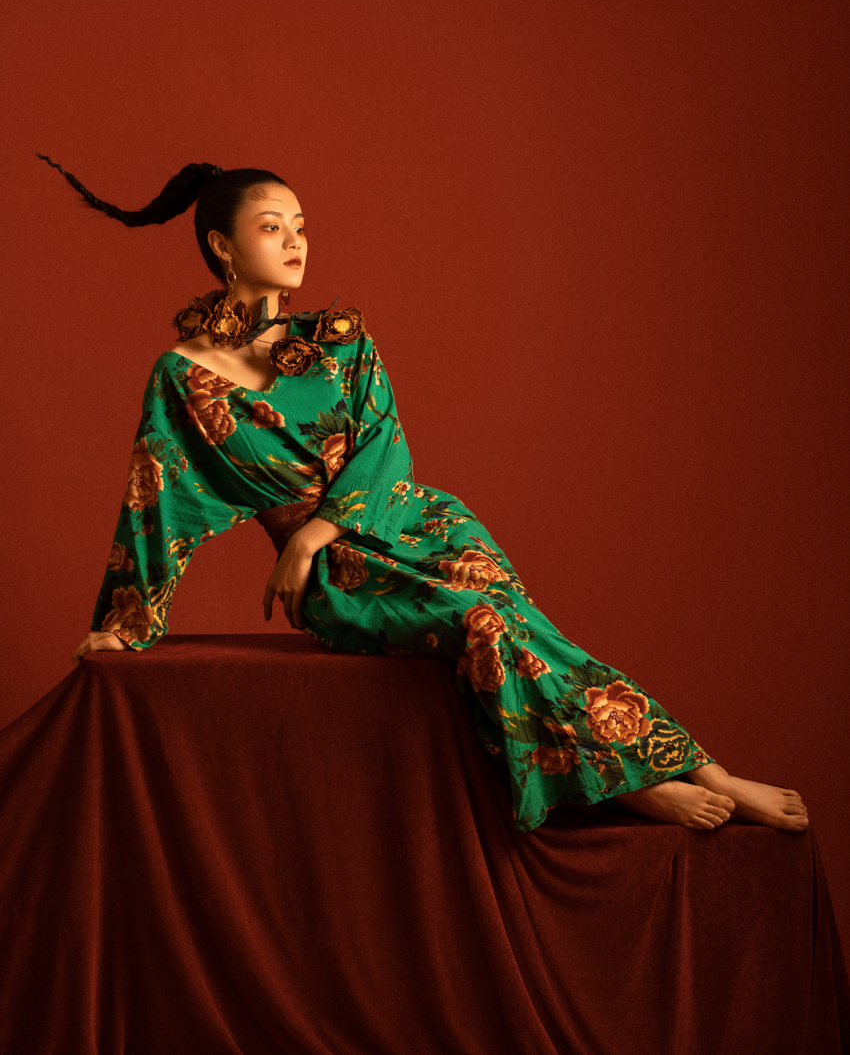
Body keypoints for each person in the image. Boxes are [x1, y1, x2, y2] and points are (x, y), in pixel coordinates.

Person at [41, 156, 810, 835]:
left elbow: (386, 451)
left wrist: (308, 536)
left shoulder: (343, 342)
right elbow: (155, 498)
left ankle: (699, 772)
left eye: (301, 226)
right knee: (480, 622)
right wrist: (123, 625)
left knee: (516, 620)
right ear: (222, 246)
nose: (296, 241)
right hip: (344, 579)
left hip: (422, 522)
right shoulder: (184, 377)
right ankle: (646, 784)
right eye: (272, 227)